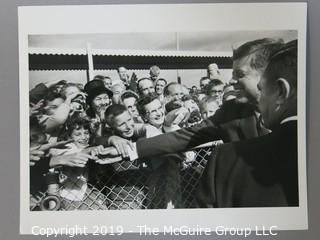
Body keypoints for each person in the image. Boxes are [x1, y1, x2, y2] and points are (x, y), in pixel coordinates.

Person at [99, 38, 283, 162]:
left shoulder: (301, 112)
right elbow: (183, 137)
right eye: (232, 73)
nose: (232, 80)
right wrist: (131, 150)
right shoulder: (231, 112)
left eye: (240, 74)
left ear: (267, 74)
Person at [197, 39, 299, 207]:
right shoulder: (232, 112)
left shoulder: (225, 160)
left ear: (281, 91)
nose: (231, 81)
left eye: (262, 89)